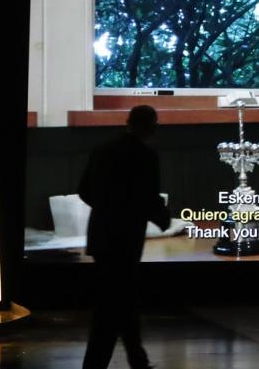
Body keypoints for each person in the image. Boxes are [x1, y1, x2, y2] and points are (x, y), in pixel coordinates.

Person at [79, 105, 171, 369]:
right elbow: (147, 197)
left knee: (113, 300)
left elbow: (84, 190)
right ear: (151, 126)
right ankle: (128, 360)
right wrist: (163, 218)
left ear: (128, 122)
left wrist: (107, 208)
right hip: (128, 238)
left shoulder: (102, 150)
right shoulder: (146, 156)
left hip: (101, 235)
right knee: (122, 300)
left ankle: (126, 360)